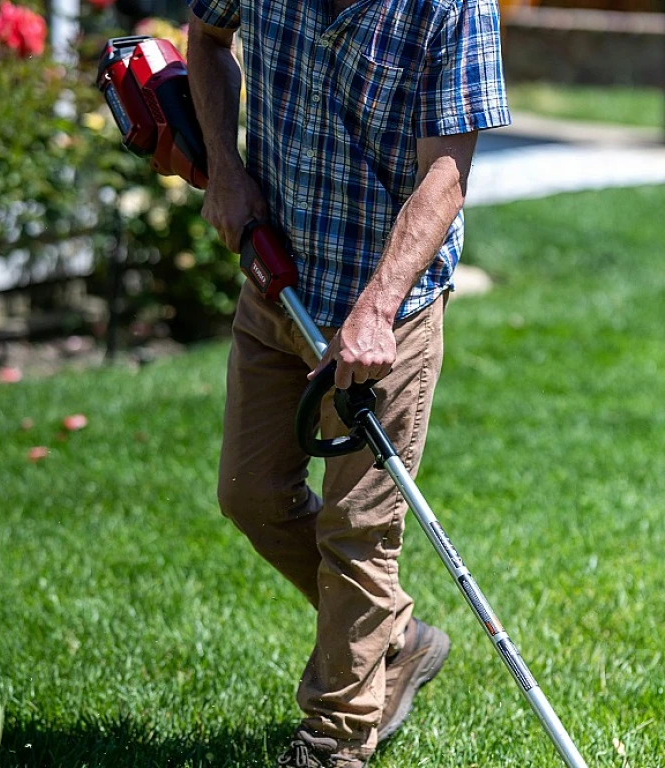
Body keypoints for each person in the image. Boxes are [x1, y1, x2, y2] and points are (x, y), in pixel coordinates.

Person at [186, 0, 510, 763]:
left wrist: (376, 307)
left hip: (384, 318)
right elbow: (204, 37)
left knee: (358, 533)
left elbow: (445, 173)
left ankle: (335, 739)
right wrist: (225, 171)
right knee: (250, 494)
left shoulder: (453, 6)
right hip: (278, 279)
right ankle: (397, 636)